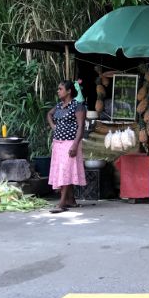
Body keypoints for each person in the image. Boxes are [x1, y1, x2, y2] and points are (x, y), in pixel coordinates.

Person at [47, 80, 86, 213]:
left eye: (60, 89)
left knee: (66, 171)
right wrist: (54, 127)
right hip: (58, 143)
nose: (58, 91)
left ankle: (62, 202)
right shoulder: (59, 105)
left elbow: (81, 127)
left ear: (69, 91)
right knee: (62, 171)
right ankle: (71, 200)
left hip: (70, 143)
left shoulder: (77, 106)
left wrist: (75, 145)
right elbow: (49, 114)